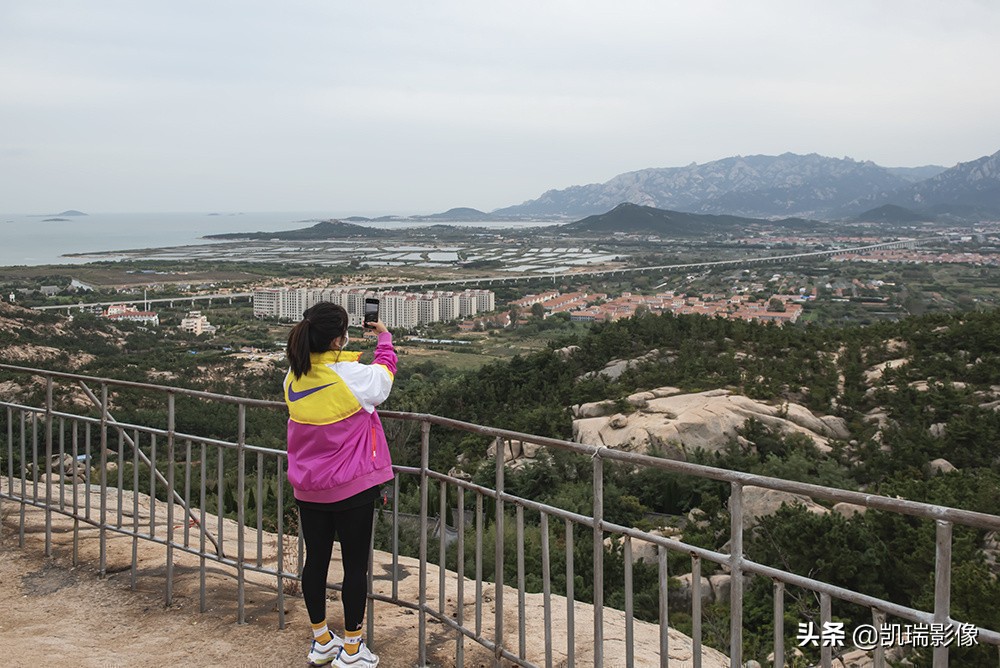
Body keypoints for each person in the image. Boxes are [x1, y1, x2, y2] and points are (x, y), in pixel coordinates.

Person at [283, 302, 396, 667]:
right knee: (353, 567)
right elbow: (384, 377)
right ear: (337, 339)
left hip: (309, 487)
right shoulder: (350, 375)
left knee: (315, 562)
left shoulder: (293, 377)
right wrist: (384, 338)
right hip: (352, 487)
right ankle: (352, 649)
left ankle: (321, 641)